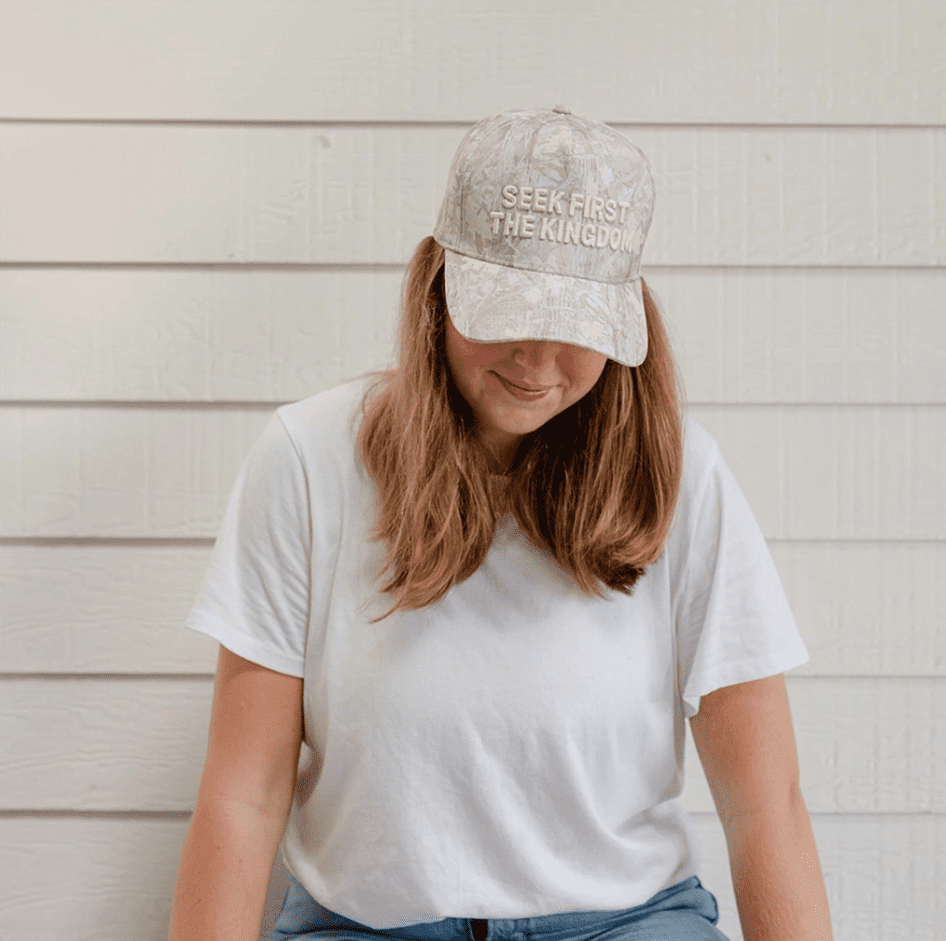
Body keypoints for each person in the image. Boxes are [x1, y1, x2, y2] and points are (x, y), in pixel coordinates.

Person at [168, 107, 834, 941]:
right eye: (504, 311)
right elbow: (242, 796)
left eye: (574, 329)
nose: (534, 360)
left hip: (620, 925)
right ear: (437, 285)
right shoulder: (307, 460)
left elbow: (764, 805)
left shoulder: (684, 479)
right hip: (370, 928)